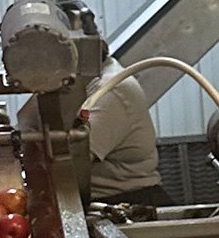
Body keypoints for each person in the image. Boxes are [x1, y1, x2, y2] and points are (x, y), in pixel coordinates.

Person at [15, 57, 175, 205]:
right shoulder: (68, 81)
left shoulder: (112, 90)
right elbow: (28, 126)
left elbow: (68, 165)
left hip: (126, 203)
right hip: (93, 199)